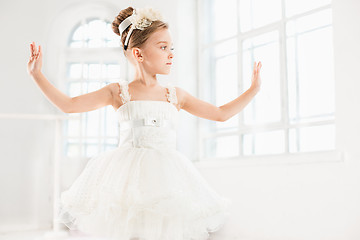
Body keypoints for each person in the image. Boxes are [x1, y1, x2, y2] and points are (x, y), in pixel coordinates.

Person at [27, 6, 262, 240]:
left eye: (172, 48)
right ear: (138, 54)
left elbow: (220, 113)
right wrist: (37, 75)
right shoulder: (118, 92)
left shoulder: (175, 95)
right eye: (162, 48)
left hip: (168, 177)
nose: (171, 54)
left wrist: (253, 90)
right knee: (132, 231)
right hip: (128, 178)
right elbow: (70, 105)